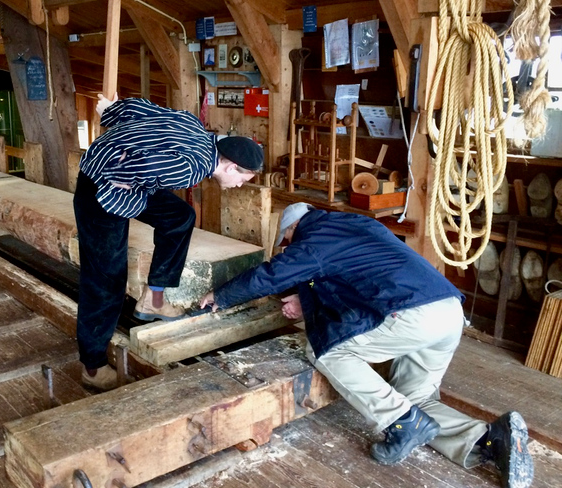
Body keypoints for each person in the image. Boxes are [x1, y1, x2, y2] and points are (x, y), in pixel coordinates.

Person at [200, 202, 533, 488]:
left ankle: (403, 423)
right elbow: (332, 278)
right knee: (412, 399)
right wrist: (306, 296)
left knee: (327, 351)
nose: (288, 247)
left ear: (292, 230)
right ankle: (488, 438)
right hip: (446, 312)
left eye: (287, 242)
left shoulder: (313, 240)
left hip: (412, 315)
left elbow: (273, 274)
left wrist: (222, 295)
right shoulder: (355, 226)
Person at [74, 93, 264, 391]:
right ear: (229, 167)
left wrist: (111, 110)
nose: (238, 185)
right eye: (242, 180)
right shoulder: (192, 169)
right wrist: (122, 182)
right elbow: (137, 168)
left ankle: (155, 297)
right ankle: (93, 367)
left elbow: (141, 108)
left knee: (179, 215)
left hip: (123, 176)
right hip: (101, 189)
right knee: (106, 277)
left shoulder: (195, 126)